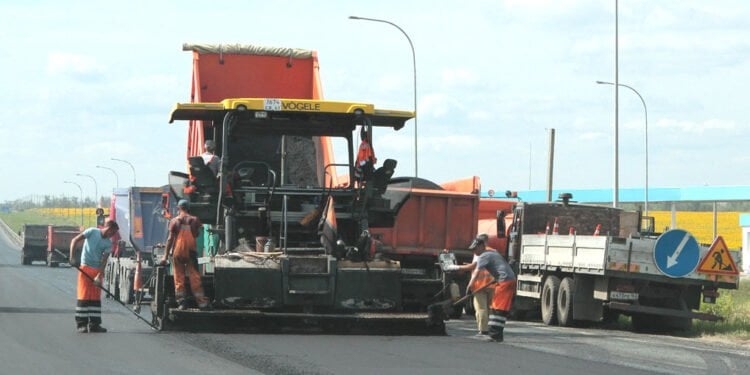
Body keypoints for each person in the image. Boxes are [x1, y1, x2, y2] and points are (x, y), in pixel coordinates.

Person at [447, 233, 516, 342]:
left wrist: (469, 286)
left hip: (504, 282)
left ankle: (493, 335)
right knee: (499, 308)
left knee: (497, 309)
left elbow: (476, 272)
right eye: (472, 249)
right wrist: (496, 277)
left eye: (475, 249)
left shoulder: (484, 256)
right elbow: (500, 266)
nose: (474, 252)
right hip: (507, 280)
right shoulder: (493, 252)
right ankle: (496, 335)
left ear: (481, 246)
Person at [69, 219, 119, 333]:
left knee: (95, 298)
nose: (113, 235)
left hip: (96, 271)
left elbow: (104, 261)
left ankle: (94, 324)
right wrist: (72, 257)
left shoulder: (108, 243)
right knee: (84, 296)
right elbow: (74, 240)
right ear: (109, 228)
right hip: (85, 268)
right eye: (113, 232)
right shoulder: (91, 232)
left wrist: (99, 275)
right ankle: (81, 324)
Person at [160, 199, 210, 310]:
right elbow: (196, 234)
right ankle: (202, 303)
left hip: (177, 252)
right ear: (188, 208)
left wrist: (165, 256)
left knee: (179, 278)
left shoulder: (174, 221)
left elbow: (169, 239)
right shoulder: (195, 220)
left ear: (179, 208)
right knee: (195, 277)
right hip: (191, 252)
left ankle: (182, 302)